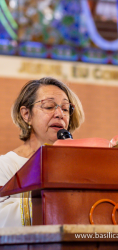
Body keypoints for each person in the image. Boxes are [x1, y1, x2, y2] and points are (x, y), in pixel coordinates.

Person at [0, 77, 84, 227]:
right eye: (49, 106)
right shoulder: (6, 165)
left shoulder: (77, 164)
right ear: (26, 114)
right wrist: (56, 201)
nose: (60, 114)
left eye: (65, 109)